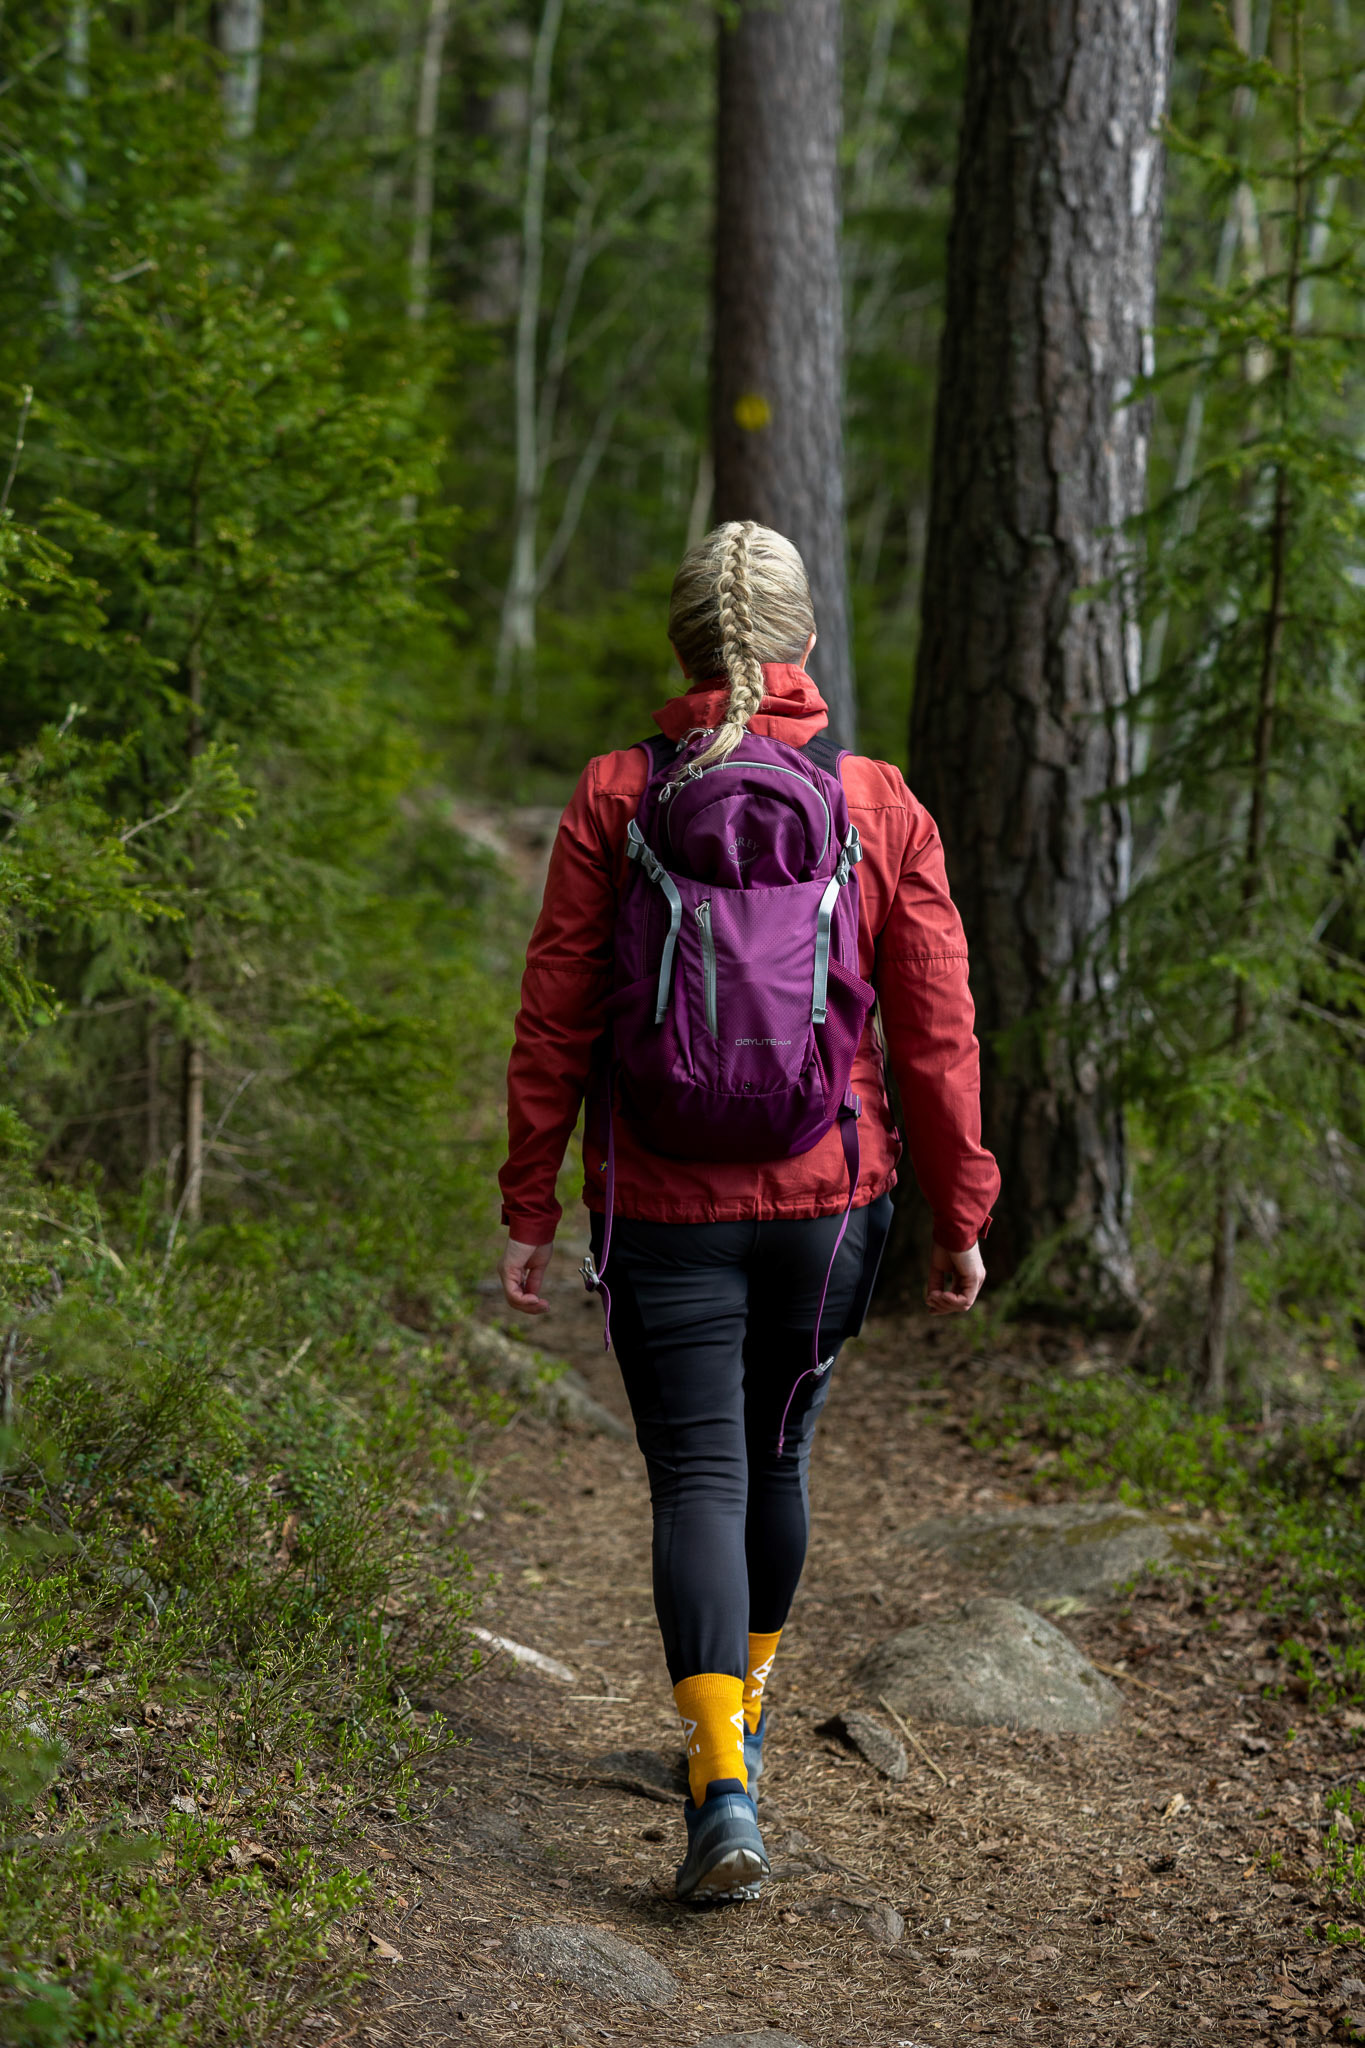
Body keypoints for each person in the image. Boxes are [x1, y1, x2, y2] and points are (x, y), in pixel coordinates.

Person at [496, 520, 1000, 1905]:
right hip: (832, 1203)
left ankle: (720, 1776)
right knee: (774, 1461)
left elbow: (553, 1018)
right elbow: (937, 1034)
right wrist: (961, 1211)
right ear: (804, 646)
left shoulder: (613, 796)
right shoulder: (877, 803)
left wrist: (527, 1200)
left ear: (682, 645)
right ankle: (751, 1712)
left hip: (658, 1202)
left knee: (698, 1482)